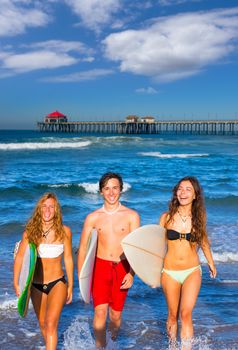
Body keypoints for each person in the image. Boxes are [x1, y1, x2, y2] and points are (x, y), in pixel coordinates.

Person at [77, 172, 140, 349]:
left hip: (122, 267)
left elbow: (137, 249)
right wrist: (81, 277)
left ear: (121, 189)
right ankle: (100, 347)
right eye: (107, 188)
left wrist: (132, 273)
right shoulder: (93, 217)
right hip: (100, 267)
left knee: (115, 316)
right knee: (100, 311)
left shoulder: (131, 216)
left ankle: (111, 343)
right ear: (101, 191)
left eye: (115, 188)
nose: (111, 192)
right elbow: (82, 248)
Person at [159, 176, 216, 349]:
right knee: (171, 316)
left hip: (192, 271)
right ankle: (173, 347)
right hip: (169, 272)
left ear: (195, 195)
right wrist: (150, 270)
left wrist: (211, 263)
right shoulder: (166, 217)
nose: (183, 192)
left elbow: (204, 241)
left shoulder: (199, 217)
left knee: (185, 314)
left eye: (188, 189)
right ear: (176, 193)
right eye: (180, 189)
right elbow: (156, 245)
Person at [14, 192, 74, 350]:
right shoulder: (30, 233)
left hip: (57, 283)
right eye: (44, 206)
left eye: (51, 207)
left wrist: (70, 285)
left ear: (56, 210)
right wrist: (16, 283)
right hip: (35, 285)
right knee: (42, 324)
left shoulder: (64, 231)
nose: (47, 210)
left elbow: (68, 258)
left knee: (51, 323)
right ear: (39, 209)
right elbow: (20, 258)